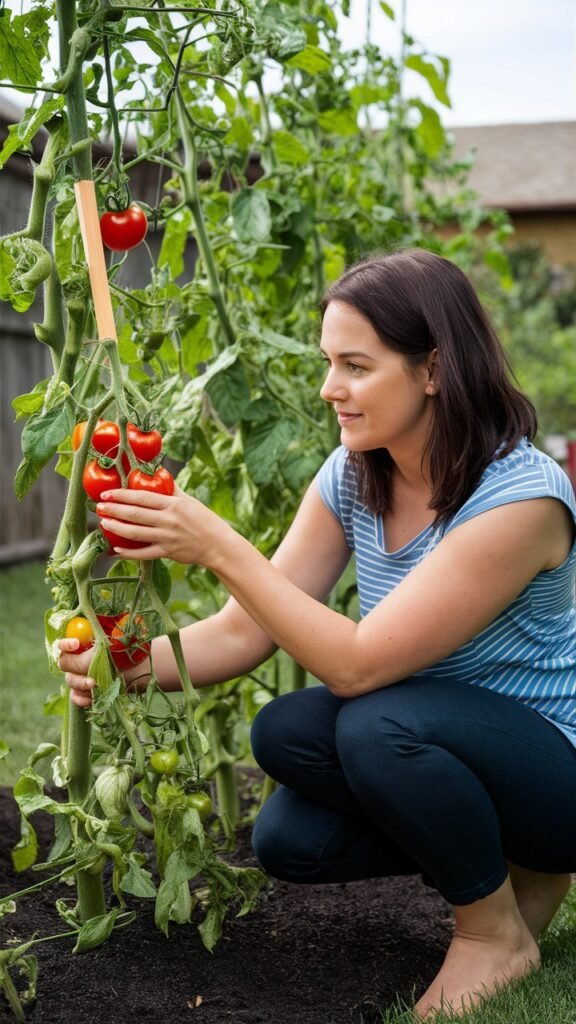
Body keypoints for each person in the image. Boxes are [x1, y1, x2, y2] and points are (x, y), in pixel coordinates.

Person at [58, 248, 576, 1020]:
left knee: (370, 722)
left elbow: (359, 667)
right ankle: (507, 866)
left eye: (356, 366)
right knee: (289, 787)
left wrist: (220, 545)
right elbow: (245, 629)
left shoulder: (519, 500)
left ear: (433, 369)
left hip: (551, 768)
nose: (331, 388)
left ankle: (494, 933)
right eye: (329, 361)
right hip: (440, 741)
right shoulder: (356, 472)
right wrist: (122, 665)